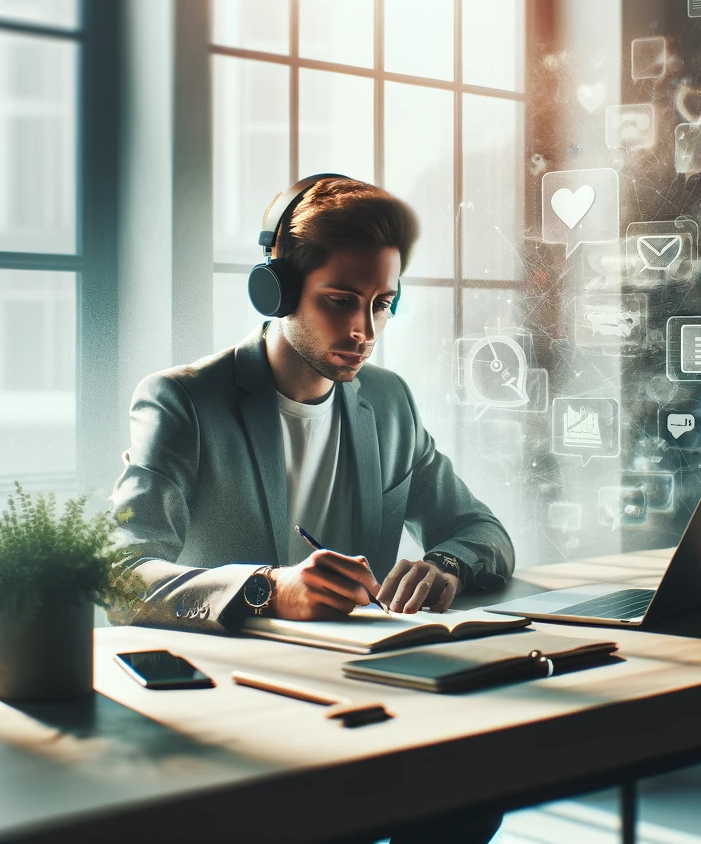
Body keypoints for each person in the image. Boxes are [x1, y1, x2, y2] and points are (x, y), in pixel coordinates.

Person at [109, 175, 512, 842]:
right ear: (279, 290)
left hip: (373, 693)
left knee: (476, 785)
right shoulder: (183, 402)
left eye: (383, 304)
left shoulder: (389, 403)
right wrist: (270, 590)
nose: (364, 330)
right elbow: (117, 575)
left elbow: (479, 530)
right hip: (243, 710)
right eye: (341, 301)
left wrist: (445, 564)